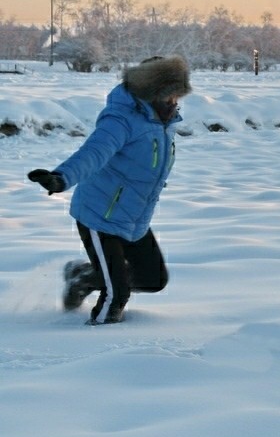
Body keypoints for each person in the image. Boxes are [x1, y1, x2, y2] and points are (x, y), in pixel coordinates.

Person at [28, 55, 192, 325]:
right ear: (150, 92)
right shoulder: (121, 120)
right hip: (99, 215)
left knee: (153, 280)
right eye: (168, 97)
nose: (174, 104)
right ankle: (97, 347)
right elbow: (93, 153)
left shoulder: (162, 124)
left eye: (177, 97)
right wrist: (61, 178)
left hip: (134, 218)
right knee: (116, 294)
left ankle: (83, 276)